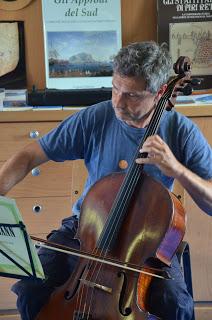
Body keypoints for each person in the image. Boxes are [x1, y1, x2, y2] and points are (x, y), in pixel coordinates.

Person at [0, 41, 212, 320]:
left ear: (160, 92)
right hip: (87, 228)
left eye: (132, 95)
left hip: (147, 242)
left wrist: (176, 169)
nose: (118, 102)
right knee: (30, 290)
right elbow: (29, 156)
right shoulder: (96, 117)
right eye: (115, 89)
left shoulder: (181, 132)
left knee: (177, 306)